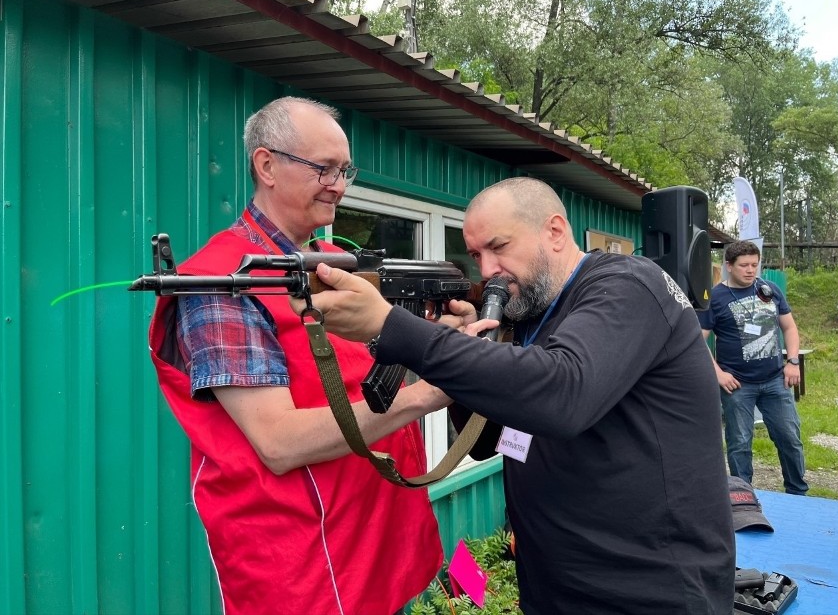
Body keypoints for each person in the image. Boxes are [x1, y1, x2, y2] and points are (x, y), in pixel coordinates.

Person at [293, 177, 736, 614]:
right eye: (475, 255)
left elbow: (564, 395)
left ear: (555, 232)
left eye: (499, 247)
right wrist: (468, 352)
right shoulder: (531, 312)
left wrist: (394, 328)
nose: (486, 271)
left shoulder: (628, 285)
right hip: (556, 586)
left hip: (649, 592)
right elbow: (492, 438)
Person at [147, 97, 447, 615]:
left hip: (377, 535)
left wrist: (442, 338)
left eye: (344, 169)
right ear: (266, 165)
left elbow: (370, 365)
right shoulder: (222, 282)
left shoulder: (335, 265)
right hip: (305, 557)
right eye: (323, 168)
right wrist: (431, 392)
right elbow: (279, 443)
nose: (339, 183)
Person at [697, 240, 808, 496]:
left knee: (789, 439)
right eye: (744, 265)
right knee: (739, 443)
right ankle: (742, 495)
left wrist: (792, 361)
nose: (750, 270)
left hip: (775, 380)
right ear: (729, 266)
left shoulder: (769, 289)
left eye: (754, 265)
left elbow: (789, 328)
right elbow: (696, 340)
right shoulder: (715, 298)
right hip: (737, 385)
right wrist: (718, 374)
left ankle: (797, 492)